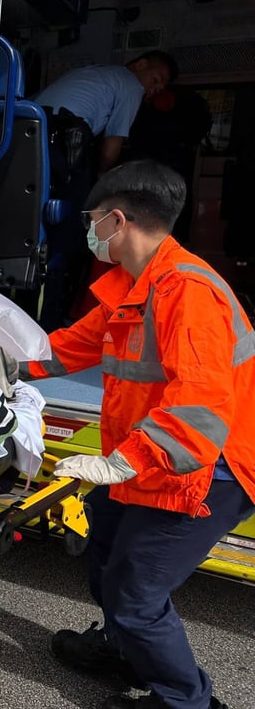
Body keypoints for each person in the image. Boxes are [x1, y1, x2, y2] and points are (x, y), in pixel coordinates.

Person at [19, 160, 255, 709]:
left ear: (116, 221)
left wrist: (118, 465)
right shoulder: (134, 287)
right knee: (104, 554)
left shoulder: (188, 294)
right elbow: (67, 348)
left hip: (207, 467)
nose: (88, 232)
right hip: (153, 457)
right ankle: (123, 651)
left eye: (92, 220)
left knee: (136, 593)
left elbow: (197, 412)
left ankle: (185, 700)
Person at [33, 51, 178, 331]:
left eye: (161, 87)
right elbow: (111, 149)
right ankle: (50, 321)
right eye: (156, 79)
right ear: (140, 65)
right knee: (70, 232)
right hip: (63, 140)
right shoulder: (130, 84)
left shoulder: (93, 71)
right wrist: (104, 187)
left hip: (28, 132)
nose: (155, 88)